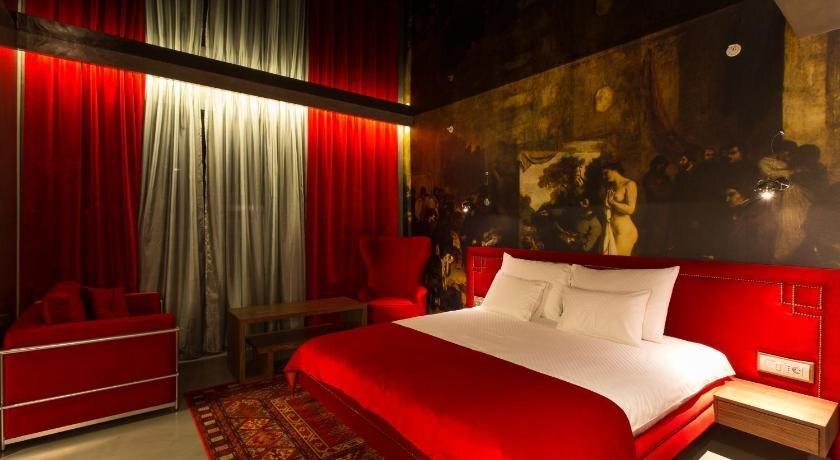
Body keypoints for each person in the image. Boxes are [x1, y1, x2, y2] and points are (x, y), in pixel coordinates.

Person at [723, 183, 777, 263]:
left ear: (740, 194)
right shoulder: (731, 214)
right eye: (726, 196)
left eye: (731, 194)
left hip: (756, 259)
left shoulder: (758, 207)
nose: (727, 199)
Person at [601, 162, 638, 256]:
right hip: (611, 229)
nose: (604, 176)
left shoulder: (629, 184)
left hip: (625, 231)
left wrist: (613, 203)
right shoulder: (610, 186)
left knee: (617, 262)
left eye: (606, 172)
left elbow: (631, 209)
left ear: (614, 170)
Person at [641, 155, 673, 256]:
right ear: (655, 164)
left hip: (665, 209)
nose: (662, 167)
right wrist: (666, 191)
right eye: (660, 165)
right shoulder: (648, 177)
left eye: (664, 165)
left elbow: (672, 191)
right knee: (653, 231)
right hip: (653, 208)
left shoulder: (666, 177)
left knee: (663, 232)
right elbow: (657, 194)